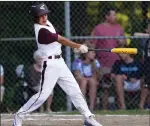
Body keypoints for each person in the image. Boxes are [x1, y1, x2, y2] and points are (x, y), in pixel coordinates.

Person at [12, 3, 102, 126]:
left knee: (74, 90)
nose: (44, 17)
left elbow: (59, 42)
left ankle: (88, 117)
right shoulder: (41, 31)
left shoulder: (47, 23)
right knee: (43, 96)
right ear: (35, 18)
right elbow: (61, 39)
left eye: (45, 14)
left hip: (60, 62)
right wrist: (78, 46)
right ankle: (19, 116)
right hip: (49, 65)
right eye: (40, 16)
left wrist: (75, 48)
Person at [90, 8, 126, 110]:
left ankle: (122, 108)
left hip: (117, 64)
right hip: (103, 63)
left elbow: (124, 43)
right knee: (105, 87)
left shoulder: (119, 28)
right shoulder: (98, 28)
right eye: (113, 15)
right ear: (107, 16)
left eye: (115, 15)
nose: (115, 17)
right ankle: (104, 109)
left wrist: (121, 41)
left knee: (118, 83)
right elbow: (92, 44)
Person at [72, 44, 101, 111]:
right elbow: (77, 75)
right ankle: (83, 106)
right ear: (86, 54)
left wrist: (94, 68)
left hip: (91, 80)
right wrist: (85, 79)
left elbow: (96, 76)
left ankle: (91, 107)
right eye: (92, 52)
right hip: (80, 81)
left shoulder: (95, 62)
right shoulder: (78, 61)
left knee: (92, 81)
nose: (94, 54)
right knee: (84, 81)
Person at [134, 21, 150, 109]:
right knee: (146, 84)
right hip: (148, 64)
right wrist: (147, 33)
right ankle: (141, 105)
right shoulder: (146, 40)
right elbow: (135, 34)